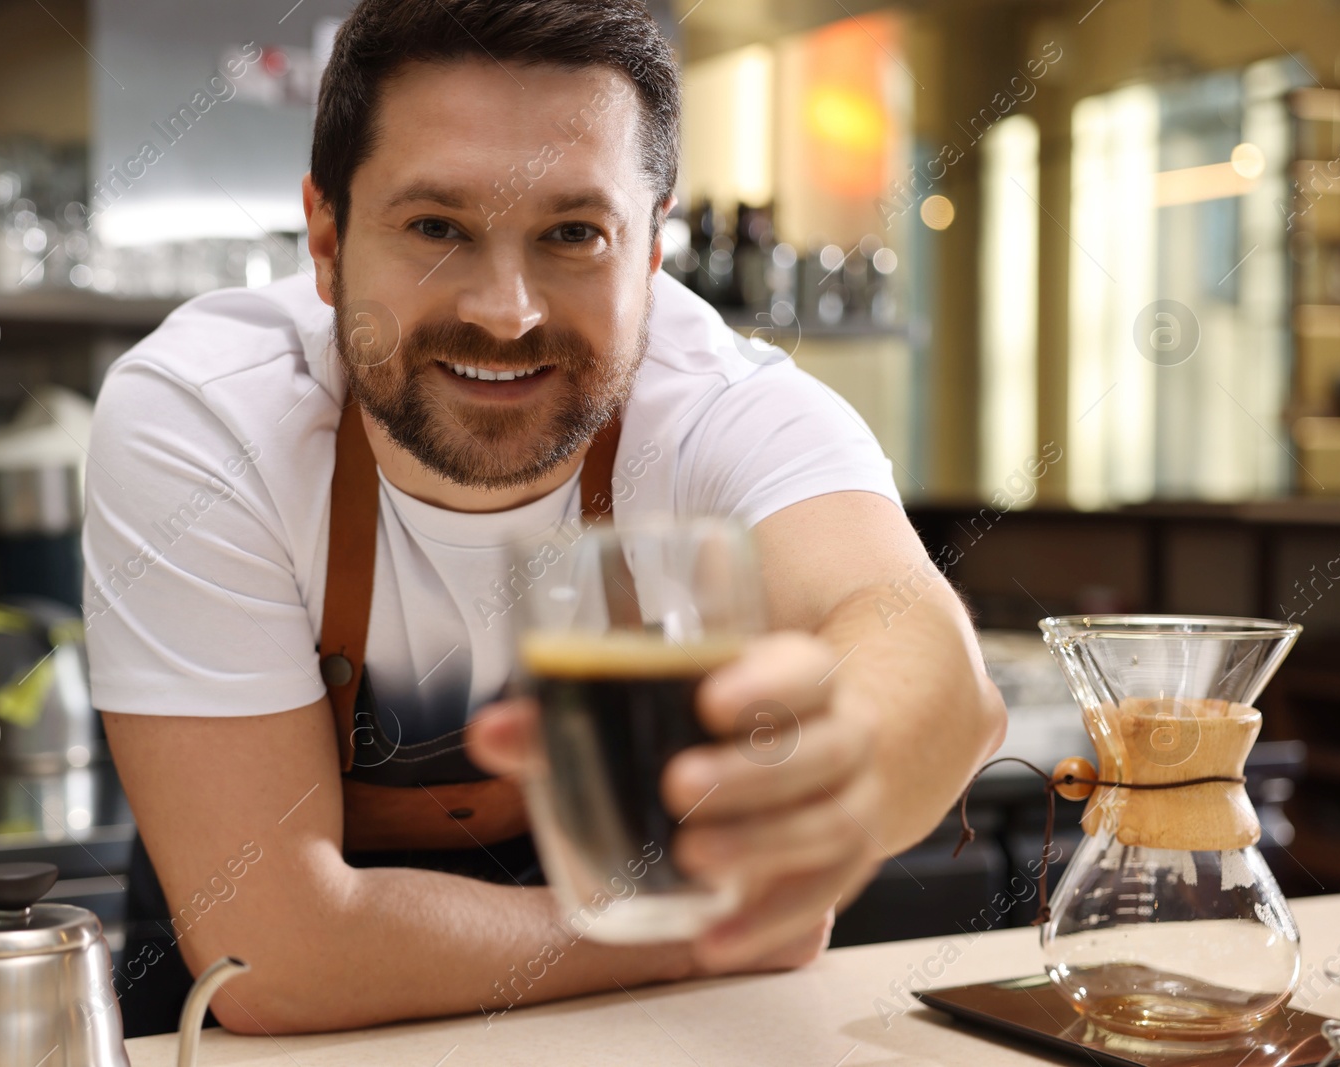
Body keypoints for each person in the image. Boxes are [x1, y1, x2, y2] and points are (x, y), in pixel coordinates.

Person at [83, 0, 1007, 1037]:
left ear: (653, 250)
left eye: (574, 233)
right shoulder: (203, 418)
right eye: (437, 227)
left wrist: (854, 762)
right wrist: (696, 928)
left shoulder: (722, 405)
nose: (504, 310)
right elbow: (272, 953)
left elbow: (925, 657)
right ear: (327, 238)